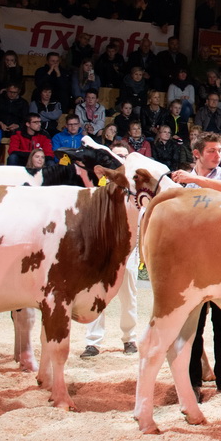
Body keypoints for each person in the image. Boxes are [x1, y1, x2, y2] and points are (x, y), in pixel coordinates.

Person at [169, 132, 221, 407]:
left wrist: (193, 180)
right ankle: (193, 382)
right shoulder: (179, 183)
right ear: (197, 154)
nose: (218, 156)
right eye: (211, 151)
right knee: (193, 327)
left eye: (219, 151)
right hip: (194, 264)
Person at [82, 141, 139, 359]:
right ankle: (93, 342)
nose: (120, 159)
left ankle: (129, 338)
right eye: (116, 156)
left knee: (129, 297)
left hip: (127, 251)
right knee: (97, 295)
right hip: (102, 249)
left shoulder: (135, 188)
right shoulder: (100, 187)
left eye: (123, 156)